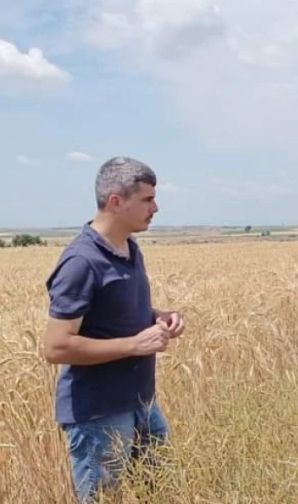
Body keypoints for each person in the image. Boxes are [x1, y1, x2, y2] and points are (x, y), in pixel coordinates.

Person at [43, 156, 186, 504]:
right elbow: (56, 347)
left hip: (140, 402)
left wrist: (157, 316)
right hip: (99, 413)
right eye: (148, 199)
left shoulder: (129, 248)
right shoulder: (81, 262)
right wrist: (135, 345)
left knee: (161, 492)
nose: (156, 208)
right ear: (116, 201)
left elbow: (113, 312)